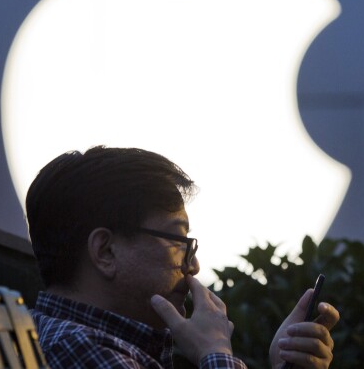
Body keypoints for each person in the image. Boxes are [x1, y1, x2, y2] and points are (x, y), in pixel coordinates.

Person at [26, 146, 338, 369]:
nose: (193, 266)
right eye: (178, 242)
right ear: (105, 251)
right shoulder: (78, 348)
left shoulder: (88, 341)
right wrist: (214, 351)